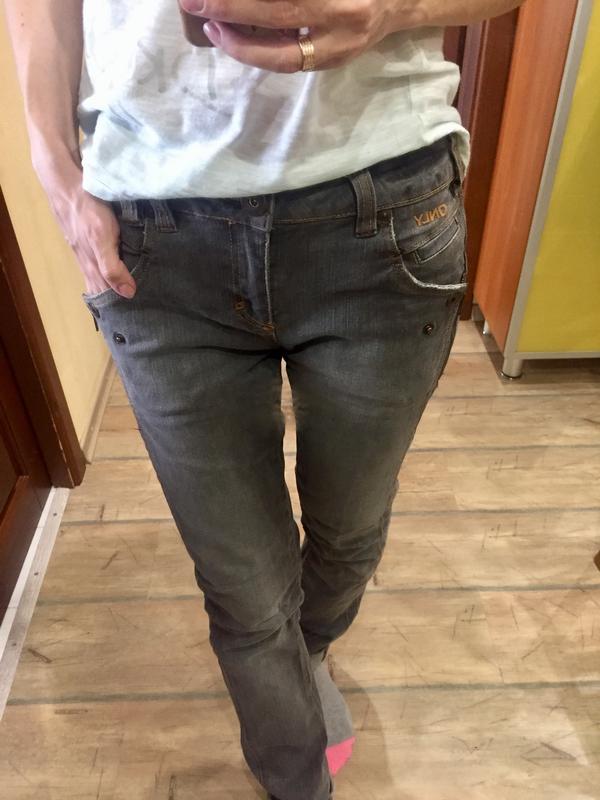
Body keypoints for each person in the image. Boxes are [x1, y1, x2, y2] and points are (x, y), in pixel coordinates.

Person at [4, 1, 525, 798]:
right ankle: (296, 774)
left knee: (349, 529)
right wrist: (55, 171)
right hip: (154, 240)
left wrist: (398, 9)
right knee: (243, 587)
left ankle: (306, 652)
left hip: (381, 214)